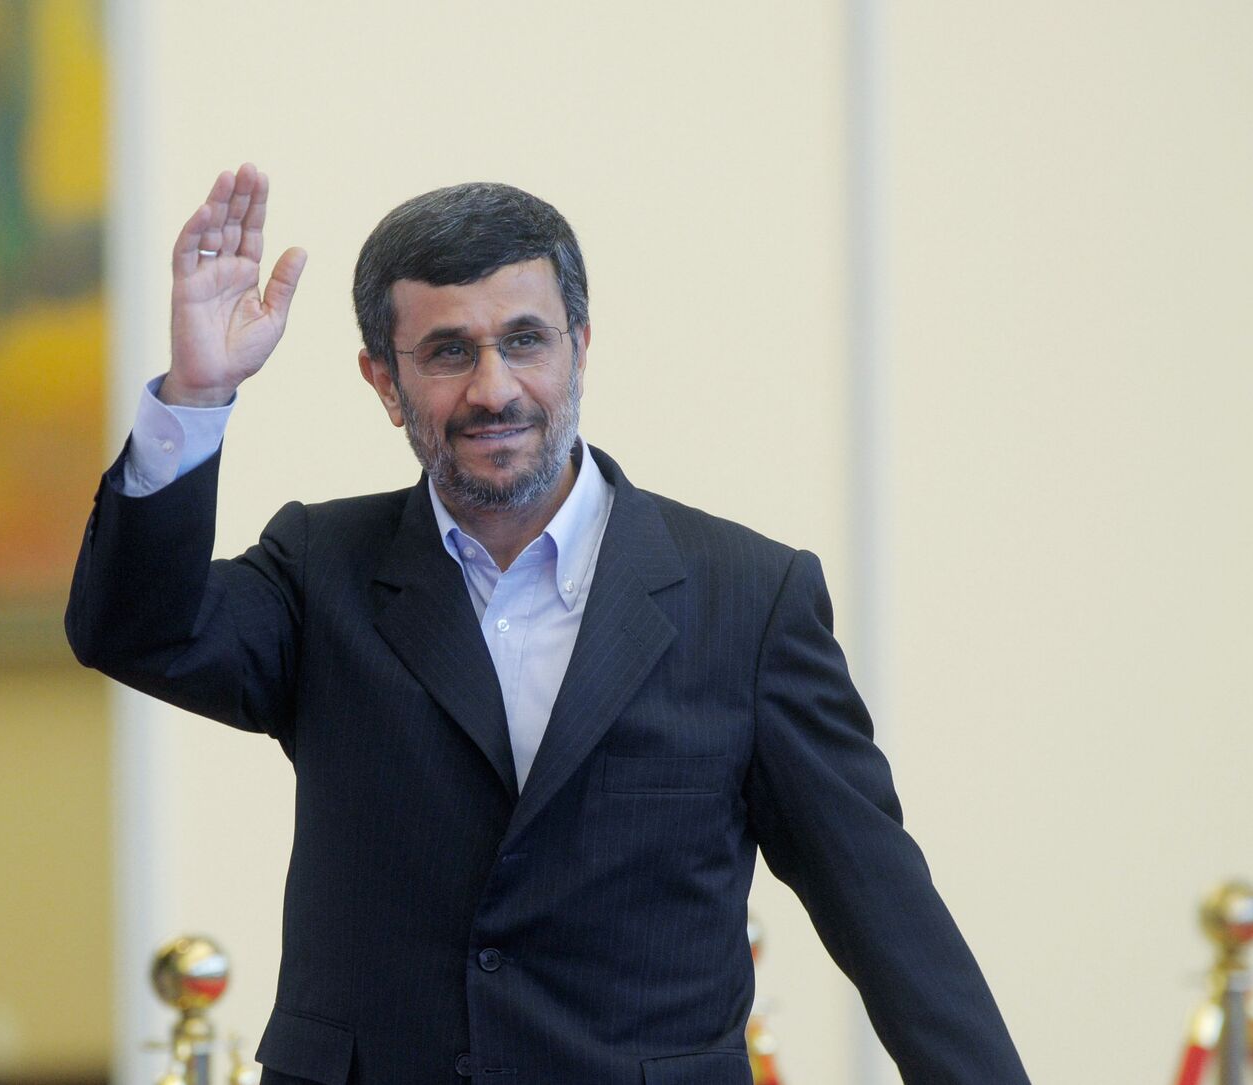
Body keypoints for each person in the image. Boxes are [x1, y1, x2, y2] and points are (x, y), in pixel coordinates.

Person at [67, 164, 1028, 1085]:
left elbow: (884, 910)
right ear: (384, 381)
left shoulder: (748, 598)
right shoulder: (321, 570)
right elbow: (136, 631)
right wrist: (197, 396)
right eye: (449, 352)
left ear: (581, 347)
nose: (494, 389)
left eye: (526, 339)